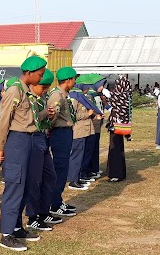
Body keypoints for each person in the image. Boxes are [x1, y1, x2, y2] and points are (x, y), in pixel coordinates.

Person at [0, 56, 48, 252]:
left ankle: (17, 227)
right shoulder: (14, 90)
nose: (41, 79)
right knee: (15, 185)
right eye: (40, 75)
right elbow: (3, 121)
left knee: (25, 185)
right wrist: (1, 147)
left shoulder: (26, 92)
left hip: (29, 140)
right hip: (16, 141)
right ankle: (6, 234)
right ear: (29, 73)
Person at [23, 68, 60, 231]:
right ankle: (32, 216)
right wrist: (45, 113)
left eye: (47, 88)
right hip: (33, 140)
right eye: (42, 87)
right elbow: (31, 119)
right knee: (34, 179)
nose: (44, 91)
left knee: (50, 176)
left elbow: (44, 122)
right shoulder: (28, 99)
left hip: (43, 139)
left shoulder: (42, 99)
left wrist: (50, 116)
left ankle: (44, 211)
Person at [47, 67, 78, 216]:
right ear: (68, 80)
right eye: (74, 79)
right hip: (59, 133)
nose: (75, 82)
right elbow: (51, 118)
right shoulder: (57, 96)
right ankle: (54, 204)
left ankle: (58, 200)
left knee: (63, 168)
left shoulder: (63, 95)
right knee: (59, 169)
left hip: (65, 132)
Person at [68, 76, 101, 190]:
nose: (87, 89)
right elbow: (72, 115)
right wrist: (88, 114)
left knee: (82, 155)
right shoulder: (74, 99)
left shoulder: (81, 98)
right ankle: (73, 180)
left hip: (85, 130)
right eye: (86, 87)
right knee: (76, 156)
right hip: (78, 131)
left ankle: (78, 177)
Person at [107, 74, 132, 182]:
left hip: (116, 125)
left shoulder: (119, 96)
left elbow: (112, 100)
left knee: (115, 149)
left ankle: (115, 173)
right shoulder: (127, 96)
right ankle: (119, 172)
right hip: (121, 126)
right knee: (119, 148)